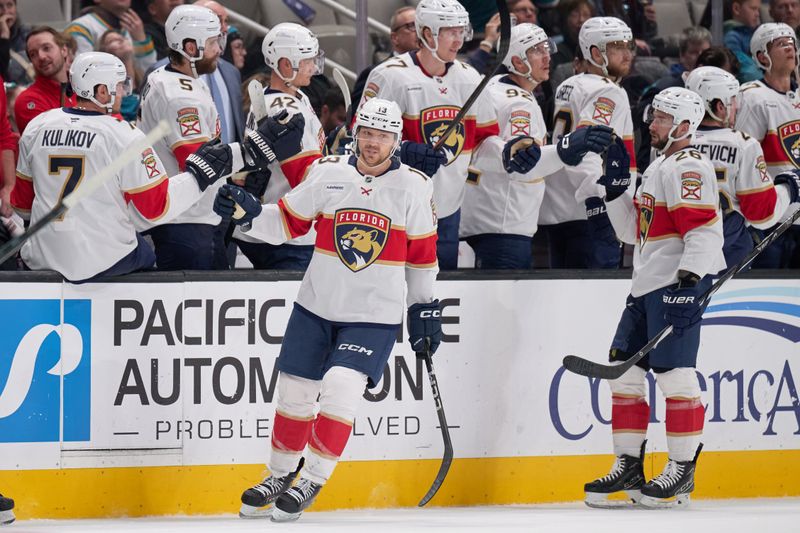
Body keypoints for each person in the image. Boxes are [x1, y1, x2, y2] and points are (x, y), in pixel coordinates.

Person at [221, 98, 440, 521]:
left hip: (373, 316)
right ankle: (279, 474)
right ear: (355, 132)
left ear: (396, 141)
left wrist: (424, 307)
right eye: (367, 133)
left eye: (383, 135)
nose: (373, 143)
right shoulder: (328, 173)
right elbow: (287, 222)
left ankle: (313, 478)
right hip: (317, 306)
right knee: (295, 393)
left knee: (340, 386)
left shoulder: (414, 186)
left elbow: (423, 257)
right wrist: (249, 216)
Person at [584, 87, 725, 509]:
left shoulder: (687, 166)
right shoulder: (658, 165)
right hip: (645, 285)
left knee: (676, 376)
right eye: (653, 116)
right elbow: (634, 233)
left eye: (661, 118)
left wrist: (689, 283)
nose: (651, 123)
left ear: (684, 126)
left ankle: (681, 471)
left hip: (674, 285)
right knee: (623, 373)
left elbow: (701, 229)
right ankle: (629, 466)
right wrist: (613, 192)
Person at [8, 51, 264, 282]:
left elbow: (21, 204)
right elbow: (155, 208)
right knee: (146, 253)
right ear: (100, 91)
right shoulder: (124, 135)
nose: (124, 92)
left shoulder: (37, 126)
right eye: (119, 85)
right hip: (103, 261)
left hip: (42, 257)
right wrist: (199, 175)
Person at [360, 0, 499, 270]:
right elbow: (359, 142)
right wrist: (403, 151)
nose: (459, 40)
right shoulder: (390, 77)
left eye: (462, 31)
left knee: (438, 293)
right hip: (395, 207)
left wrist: (510, 151)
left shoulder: (470, 78)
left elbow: (484, 139)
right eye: (450, 31)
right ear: (427, 34)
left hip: (448, 210)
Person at [460, 23, 613, 269]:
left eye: (546, 48)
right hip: (504, 223)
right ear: (518, 62)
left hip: (482, 216)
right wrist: (567, 148)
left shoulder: (494, 86)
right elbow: (522, 163)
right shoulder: (521, 106)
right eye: (537, 51)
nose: (547, 56)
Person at [138, 4, 232, 270]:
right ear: (191, 48)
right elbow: (199, 163)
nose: (219, 50)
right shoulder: (180, 96)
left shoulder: (169, 77)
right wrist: (250, 154)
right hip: (188, 222)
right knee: (196, 307)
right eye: (213, 42)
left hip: (189, 217)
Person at [538, 17, 636, 269]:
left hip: (558, 207)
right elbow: (588, 146)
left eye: (629, 46)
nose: (627, 55)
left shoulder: (568, 85)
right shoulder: (609, 91)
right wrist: (599, 197)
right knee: (595, 299)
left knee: (563, 298)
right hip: (591, 210)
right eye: (618, 47)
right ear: (595, 52)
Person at [232, 22, 326, 271]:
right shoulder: (287, 108)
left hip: (268, 223)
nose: (314, 66)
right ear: (286, 64)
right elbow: (305, 177)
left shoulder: (283, 96)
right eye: (308, 60)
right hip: (287, 231)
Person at [686, 66, 799, 267]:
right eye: (732, 100)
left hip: (681, 249)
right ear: (719, 106)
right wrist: (789, 185)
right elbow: (762, 215)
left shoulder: (672, 143)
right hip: (728, 250)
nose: (736, 107)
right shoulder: (743, 144)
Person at [736, 22, 800, 267]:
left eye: (791, 42)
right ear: (762, 56)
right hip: (771, 219)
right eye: (780, 44)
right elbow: (742, 155)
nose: (789, 48)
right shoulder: (753, 97)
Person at [350, 6, 417, 110]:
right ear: (395, 38)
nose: (419, 31)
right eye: (412, 25)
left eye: (421, 25)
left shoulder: (434, 71)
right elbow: (358, 117)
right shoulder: (376, 73)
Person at [14, 27, 76, 134]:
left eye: (46, 48)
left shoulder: (86, 89)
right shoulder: (28, 99)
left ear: (64, 50)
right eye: (33, 54)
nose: (41, 57)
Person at [66, 0, 156, 73]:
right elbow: (83, 73)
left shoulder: (133, 27)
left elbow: (150, 74)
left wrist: (140, 39)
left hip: (133, 92)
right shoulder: (81, 27)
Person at [98, 29, 142, 121]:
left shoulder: (143, 75)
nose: (121, 41)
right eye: (112, 41)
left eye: (122, 38)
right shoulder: (105, 85)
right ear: (104, 52)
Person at [724, 0, 762, 83]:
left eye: (758, 10)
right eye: (753, 9)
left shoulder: (757, 32)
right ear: (736, 8)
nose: (757, 14)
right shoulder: (730, 36)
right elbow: (745, 70)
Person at [0, 0, 32, 86]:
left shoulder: (28, 34)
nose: (5, 12)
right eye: (0, 6)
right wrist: (4, 37)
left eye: (9, 5)